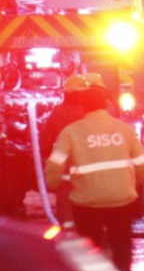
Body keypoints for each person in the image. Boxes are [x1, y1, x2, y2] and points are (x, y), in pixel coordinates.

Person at [44, 79, 144, 271]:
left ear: (83, 107)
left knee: (91, 249)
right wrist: (130, 184)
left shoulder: (71, 131)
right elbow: (143, 163)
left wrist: (54, 184)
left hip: (87, 202)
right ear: (106, 105)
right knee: (122, 247)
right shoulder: (124, 129)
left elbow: (54, 164)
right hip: (121, 199)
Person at [39, 73, 102, 227]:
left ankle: (69, 239)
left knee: (67, 213)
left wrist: (46, 159)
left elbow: (46, 141)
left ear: (66, 92)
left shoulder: (57, 113)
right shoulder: (90, 113)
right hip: (90, 170)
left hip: (66, 173)